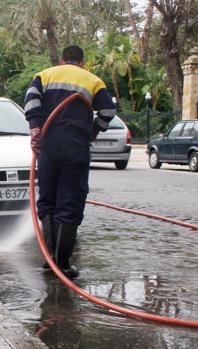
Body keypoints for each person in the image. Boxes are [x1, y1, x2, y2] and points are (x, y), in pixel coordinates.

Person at [24, 45, 116, 278]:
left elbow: (31, 101)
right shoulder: (93, 81)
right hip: (76, 147)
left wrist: (35, 128)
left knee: (47, 199)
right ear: (82, 62)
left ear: (62, 59)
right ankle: (62, 263)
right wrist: (94, 131)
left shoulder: (45, 75)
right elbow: (108, 111)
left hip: (49, 146)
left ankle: (49, 260)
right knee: (71, 201)